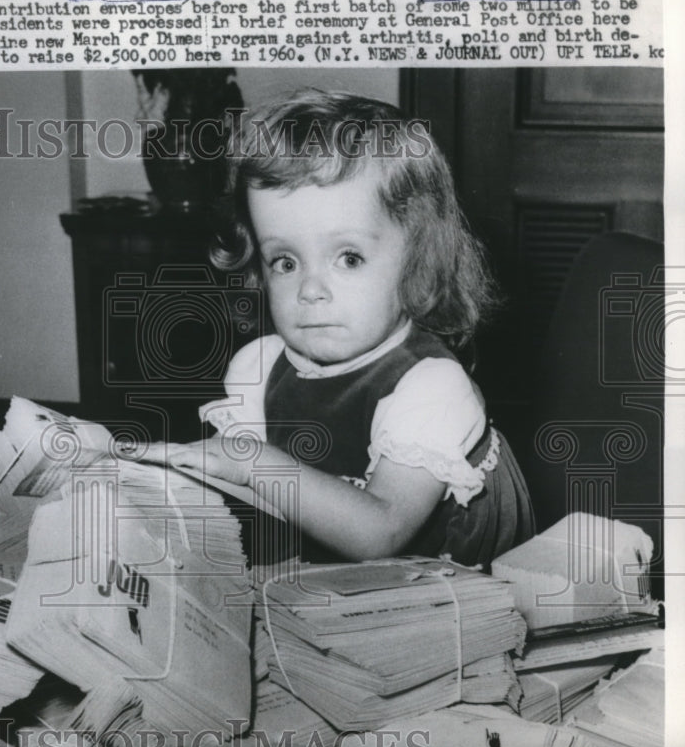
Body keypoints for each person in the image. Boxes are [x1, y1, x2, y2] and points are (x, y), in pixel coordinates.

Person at [169, 90, 535, 568]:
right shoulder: (257, 368)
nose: (310, 289)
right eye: (284, 261)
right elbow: (249, 501)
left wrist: (251, 461)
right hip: (327, 576)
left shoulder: (430, 388)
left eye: (348, 258)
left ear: (418, 262)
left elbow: (380, 534)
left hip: (443, 587)